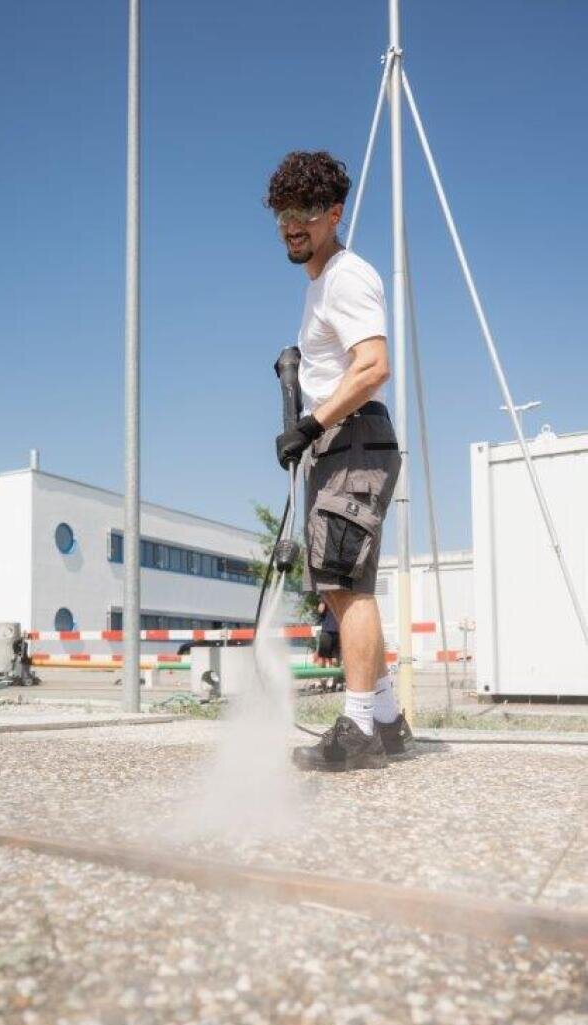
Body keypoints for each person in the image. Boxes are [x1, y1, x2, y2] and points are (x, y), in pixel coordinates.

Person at [266, 150, 412, 770]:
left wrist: (311, 423)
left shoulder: (348, 276)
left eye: (303, 213)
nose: (290, 226)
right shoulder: (322, 284)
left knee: (347, 587)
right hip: (341, 441)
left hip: (351, 437)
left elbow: (374, 366)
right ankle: (384, 719)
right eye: (280, 215)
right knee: (338, 585)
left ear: (333, 213)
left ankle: (356, 731)